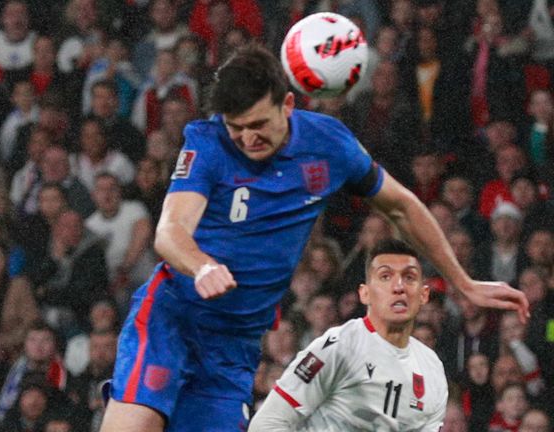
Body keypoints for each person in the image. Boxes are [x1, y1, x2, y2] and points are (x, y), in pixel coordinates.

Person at [100, 44, 528, 432]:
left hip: (234, 347)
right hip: (172, 316)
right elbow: (171, 231)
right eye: (237, 127)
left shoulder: (327, 144)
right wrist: (203, 265)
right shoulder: (207, 143)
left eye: (258, 125)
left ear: (287, 104)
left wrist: (463, 281)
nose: (248, 138)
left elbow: (401, 205)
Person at [249, 239, 448, 430]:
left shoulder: (432, 367)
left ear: (423, 295)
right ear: (365, 293)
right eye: (385, 277)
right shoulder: (338, 347)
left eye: (409, 277)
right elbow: (266, 424)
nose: (398, 287)